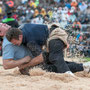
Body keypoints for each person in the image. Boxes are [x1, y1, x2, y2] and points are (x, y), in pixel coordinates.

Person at [3, 23, 90, 76]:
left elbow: (40, 57)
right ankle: (84, 66)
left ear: (20, 37)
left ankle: (68, 74)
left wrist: (25, 65)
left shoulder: (29, 41)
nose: (15, 45)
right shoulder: (22, 29)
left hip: (55, 35)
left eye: (15, 42)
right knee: (53, 61)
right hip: (52, 35)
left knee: (54, 57)